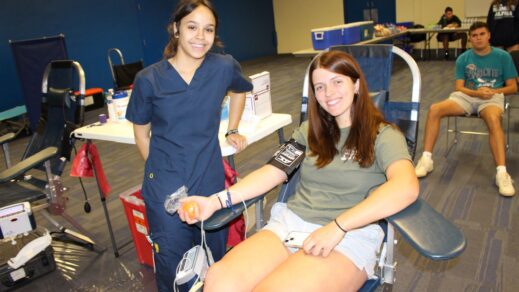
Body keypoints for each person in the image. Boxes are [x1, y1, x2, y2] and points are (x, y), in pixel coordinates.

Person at [179, 50, 419, 291]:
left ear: (356, 85)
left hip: (348, 235)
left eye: (337, 82)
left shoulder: (384, 135)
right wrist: (216, 201)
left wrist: (339, 226)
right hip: (291, 223)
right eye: (320, 87)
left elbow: (406, 187)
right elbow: (272, 172)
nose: (329, 93)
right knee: (219, 280)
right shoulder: (309, 132)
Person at [125, 0, 253, 291]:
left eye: (208, 30)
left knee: (213, 258)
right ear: (176, 30)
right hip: (165, 185)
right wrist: (161, 171)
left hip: (208, 177)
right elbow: (141, 134)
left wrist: (232, 128)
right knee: (173, 263)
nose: (200, 36)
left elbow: (240, 90)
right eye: (192, 27)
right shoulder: (149, 79)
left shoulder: (223, 66)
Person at [415, 22, 518, 197]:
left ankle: (502, 173)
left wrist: (492, 91)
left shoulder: (503, 56)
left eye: (481, 34)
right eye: (474, 35)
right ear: (470, 39)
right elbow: (459, 87)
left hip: (492, 96)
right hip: (468, 95)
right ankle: (426, 159)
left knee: (494, 119)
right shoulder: (463, 58)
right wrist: (476, 93)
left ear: (489, 36)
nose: (478, 38)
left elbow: (513, 87)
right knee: (434, 109)